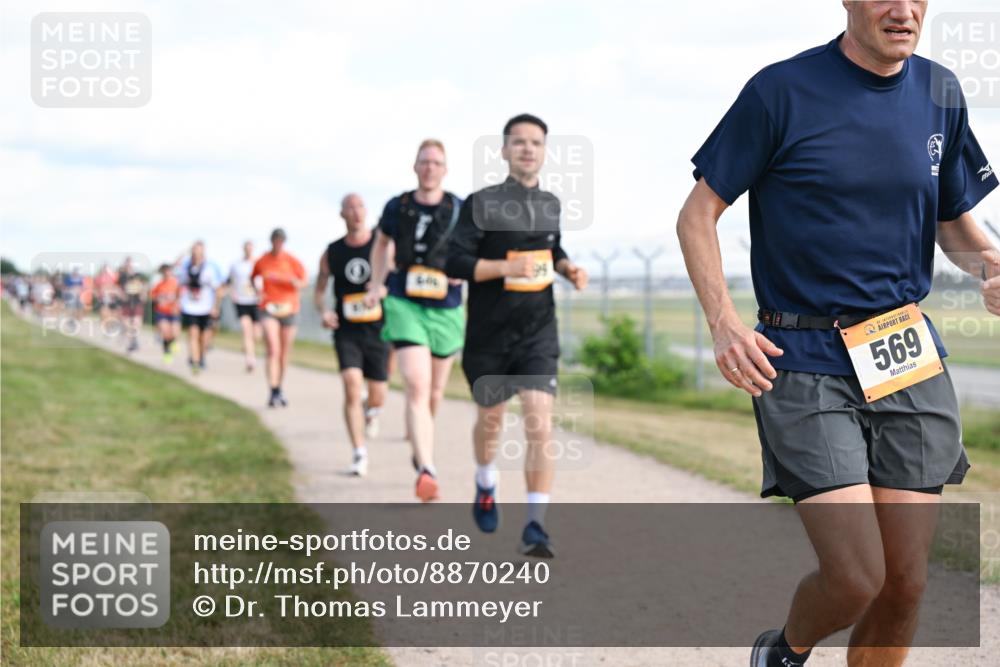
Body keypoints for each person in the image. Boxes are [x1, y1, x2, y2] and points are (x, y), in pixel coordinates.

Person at [676, 3, 999, 666]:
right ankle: (784, 652)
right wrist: (724, 322)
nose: (902, 10)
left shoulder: (940, 91)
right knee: (857, 575)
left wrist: (992, 266)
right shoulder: (781, 91)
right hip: (805, 357)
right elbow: (697, 215)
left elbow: (954, 224)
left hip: (904, 351)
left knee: (904, 583)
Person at [447, 114, 588, 558]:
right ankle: (486, 480)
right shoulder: (480, 203)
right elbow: (453, 262)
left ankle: (535, 525)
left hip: (537, 335)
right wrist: (505, 268)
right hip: (489, 337)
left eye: (536, 143)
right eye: (519, 142)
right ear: (505, 151)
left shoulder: (549, 203)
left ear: (544, 152)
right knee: (490, 422)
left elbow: (553, 248)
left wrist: (567, 269)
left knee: (539, 424)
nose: (528, 149)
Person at [365, 139, 466, 502]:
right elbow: (380, 244)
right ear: (415, 167)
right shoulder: (398, 206)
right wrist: (377, 284)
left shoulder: (459, 207)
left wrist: (464, 270)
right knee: (416, 384)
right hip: (405, 300)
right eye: (424, 162)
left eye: (436, 162)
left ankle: (421, 442)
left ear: (445, 169)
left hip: (446, 307)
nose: (429, 168)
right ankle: (427, 468)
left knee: (435, 391)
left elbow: (476, 248)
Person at [315, 193, 391, 476]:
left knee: (379, 394)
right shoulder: (332, 251)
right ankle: (359, 453)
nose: (356, 212)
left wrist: (382, 290)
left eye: (360, 206)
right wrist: (324, 311)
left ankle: (371, 410)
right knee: (350, 383)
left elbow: (395, 279)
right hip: (347, 330)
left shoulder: (380, 245)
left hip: (378, 329)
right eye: (350, 208)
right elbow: (320, 292)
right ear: (342, 214)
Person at [252, 228, 307, 407]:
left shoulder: (292, 261)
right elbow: (253, 277)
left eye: (281, 241)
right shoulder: (263, 260)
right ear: (271, 241)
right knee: (273, 349)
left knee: (284, 353)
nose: (278, 243)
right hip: (268, 307)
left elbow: (304, 281)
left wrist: (295, 283)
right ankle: (272, 388)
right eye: (275, 240)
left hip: (289, 308)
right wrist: (258, 292)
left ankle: (279, 388)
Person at [177, 241, 225, 374]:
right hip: (190, 307)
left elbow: (219, 289)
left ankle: (201, 356)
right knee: (193, 332)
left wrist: (216, 307)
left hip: (206, 307)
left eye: (199, 251)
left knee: (204, 337)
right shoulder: (185, 267)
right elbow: (178, 283)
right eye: (194, 251)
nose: (196, 254)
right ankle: (195, 361)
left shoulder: (210, 268)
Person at [228, 240, 262, 372]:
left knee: (257, 334)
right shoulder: (236, 264)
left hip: (256, 301)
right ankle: (250, 359)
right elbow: (230, 280)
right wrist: (233, 293)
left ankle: (248, 347)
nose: (248, 250)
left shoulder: (258, 263)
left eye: (250, 248)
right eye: (246, 248)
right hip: (242, 301)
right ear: (243, 249)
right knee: (246, 329)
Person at [150, 263, 181, 364]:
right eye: (165, 272)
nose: (167, 273)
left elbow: (182, 295)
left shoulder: (176, 283)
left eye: (168, 271)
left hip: (174, 311)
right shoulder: (159, 284)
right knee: (166, 332)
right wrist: (158, 298)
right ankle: (167, 353)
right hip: (162, 311)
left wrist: (176, 301)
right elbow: (152, 295)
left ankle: (173, 343)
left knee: (175, 333)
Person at [118, 257, 146, 353]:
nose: (129, 266)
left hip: (136, 302)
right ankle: (132, 341)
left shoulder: (137, 276)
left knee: (136, 322)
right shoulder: (122, 277)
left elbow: (142, 287)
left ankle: (134, 341)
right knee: (127, 323)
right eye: (127, 264)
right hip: (126, 303)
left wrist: (143, 295)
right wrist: (122, 295)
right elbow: (120, 289)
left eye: (130, 264)